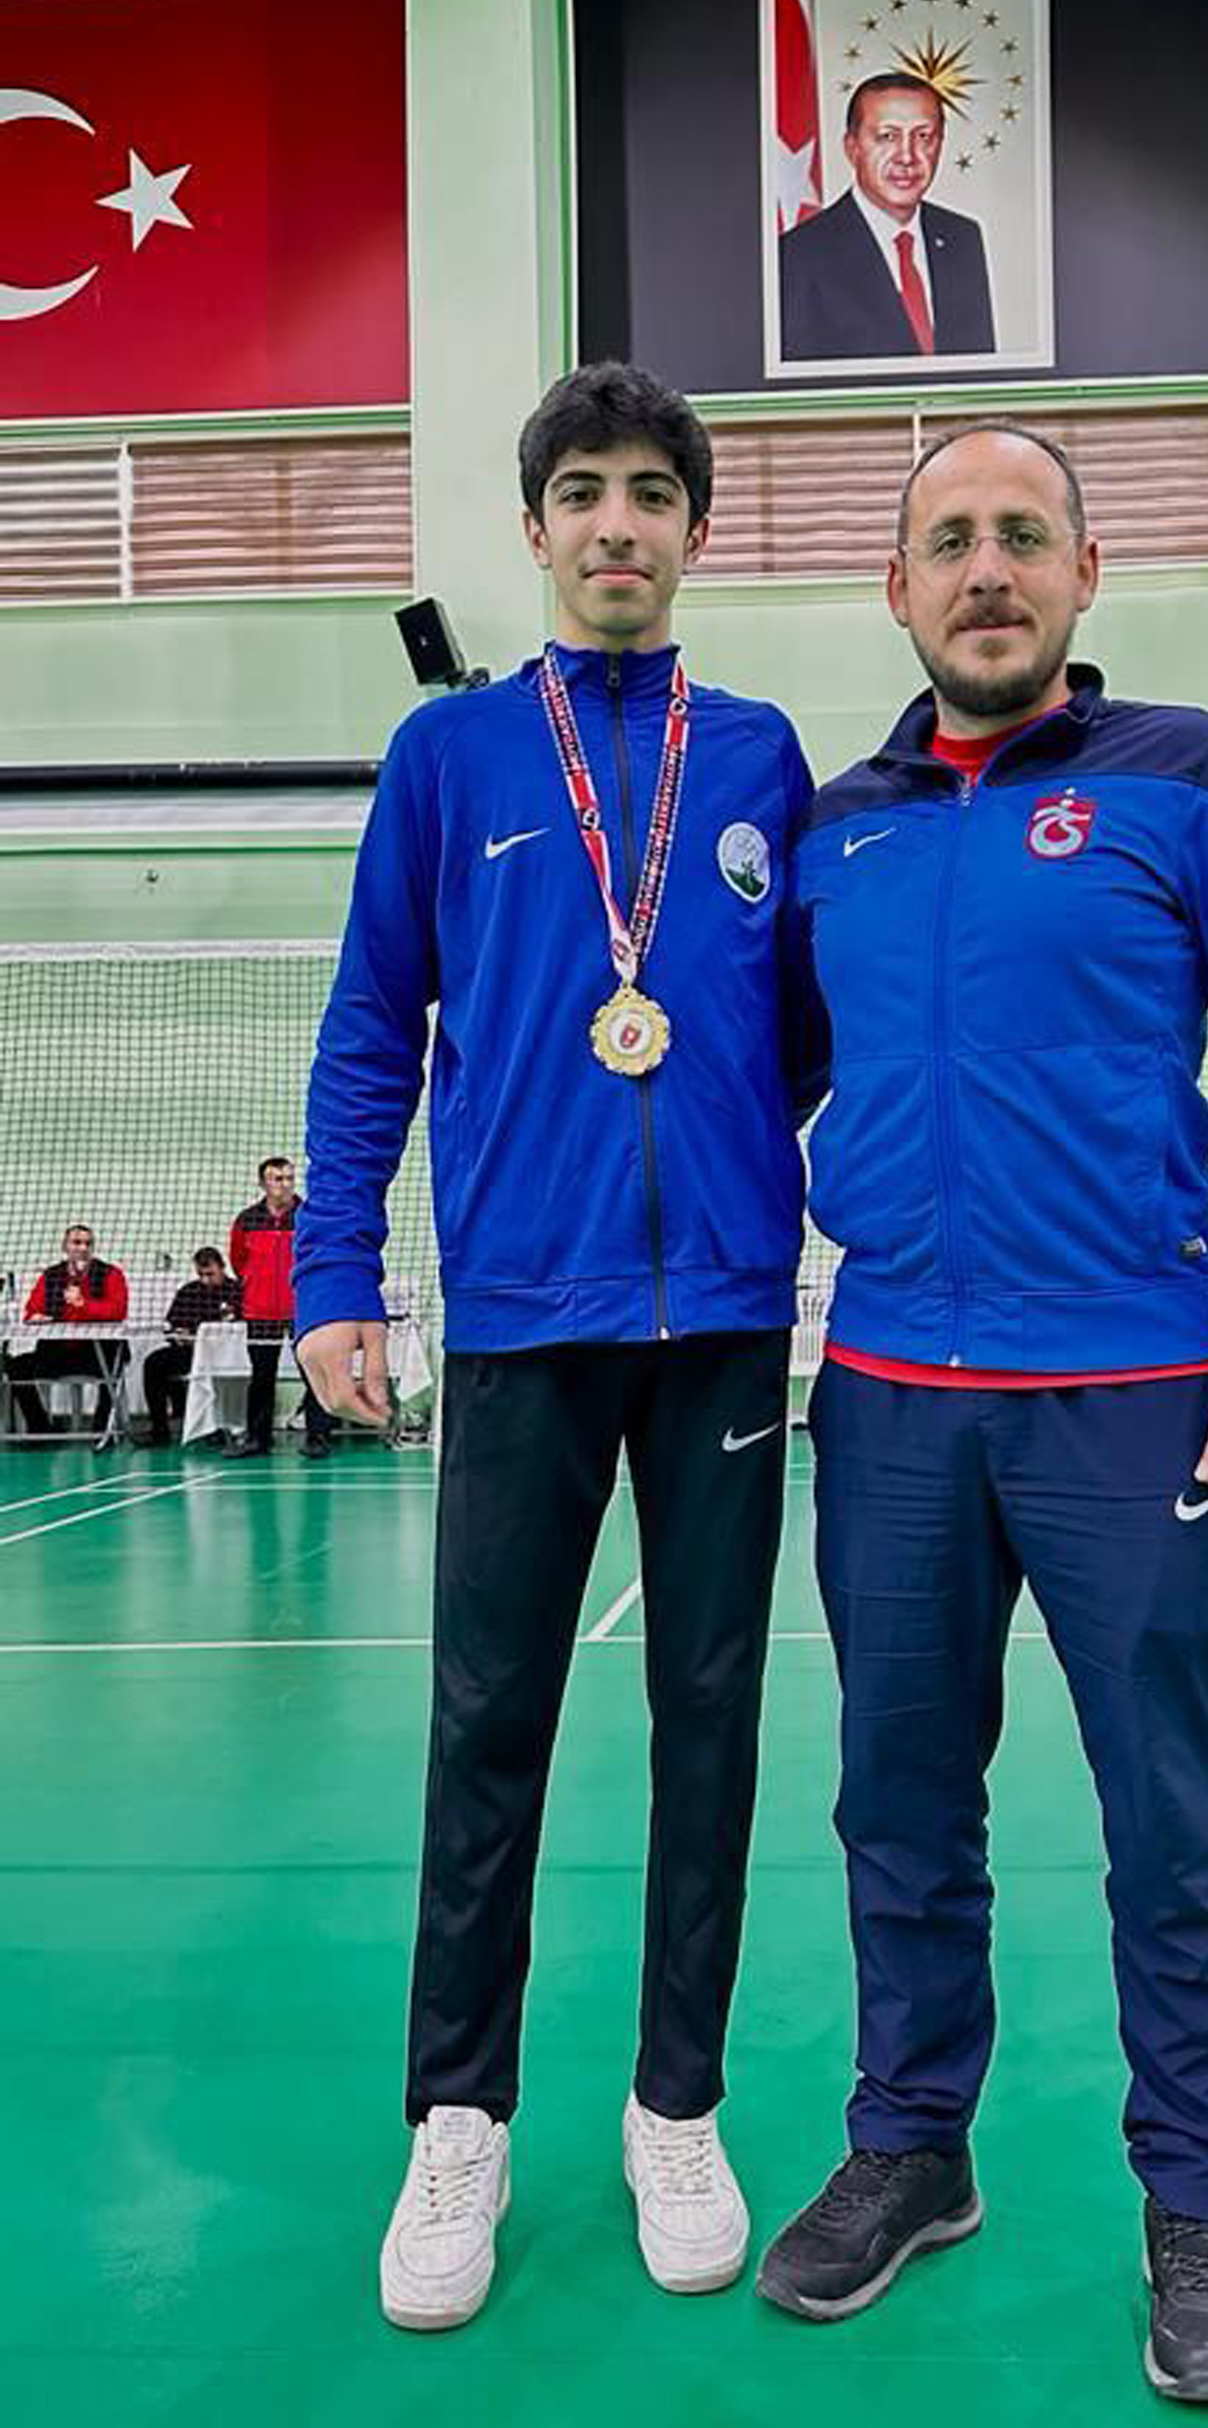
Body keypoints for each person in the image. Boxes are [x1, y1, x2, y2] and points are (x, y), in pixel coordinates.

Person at [754, 423, 1208, 2404]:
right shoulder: (838, 828)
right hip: (888, 1402)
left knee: (1176, 1821)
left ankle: (1199, 2202)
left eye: (1023, 534)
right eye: (947, 539)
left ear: (1086, 571)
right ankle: (911, 2144)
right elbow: (761, 1087)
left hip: (1133, 1395)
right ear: (897, 587)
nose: (986, 568)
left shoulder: (1189, 776)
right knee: (896, 1803)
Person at [293, 361, 826, 2332]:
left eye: (650, 492)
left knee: (713, 1722)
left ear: (695, 530)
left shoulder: (758, 753)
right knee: (487, 1724)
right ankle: (460, 2113)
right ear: (535, 529)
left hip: (723, 1326)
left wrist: (763, 1173)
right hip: (522, 1319)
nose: (617, 522)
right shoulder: (447, 757)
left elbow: (809, 1026)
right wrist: (336, 1271)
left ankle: (675, 2102)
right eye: (583, 490)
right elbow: (374, 1025)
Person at [780, 75, 995, 362]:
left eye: (923, 137)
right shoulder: (798, 255)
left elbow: (979, 371)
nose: (906, 157)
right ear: (852, 148)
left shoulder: (962, 238)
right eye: (887, 136)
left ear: (940, 145)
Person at [227, 1157, 334, 1460]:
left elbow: (321, 1255)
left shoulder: (309, 1216)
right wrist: (256, 1286)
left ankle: (318, 1437)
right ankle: (257, 1439)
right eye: (277, 1179)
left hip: (303, 1310)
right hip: (259, 1312)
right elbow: (238, 1261)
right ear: (263, 1184)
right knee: (262, 1375)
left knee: (314, 1373)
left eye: (289, 1178)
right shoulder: (246, 1220)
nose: (285, 1185)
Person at [7, 1223, 129, 1435]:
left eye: (88, 1243)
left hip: (98, 1353)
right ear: (65, 1246)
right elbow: (32, 1310)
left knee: (113, 1364)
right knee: (16, 1367)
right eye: (77, 1242)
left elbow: (118, 1310)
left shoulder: (111, 1274)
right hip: (58, 1352)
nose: (83, 1248)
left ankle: (102, 1431)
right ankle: (40, 1426)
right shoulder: (50, 1275)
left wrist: (84, 1304)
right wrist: (37, 1317)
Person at [141, 1246, 242, 1448]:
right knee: (153, 1362)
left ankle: (232, 1426)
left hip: (229, 1355)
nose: (205, 1280)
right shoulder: (189, 1292)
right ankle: (160, 1429)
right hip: (192, 1353)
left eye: (210, 1274)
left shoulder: (237, 1291)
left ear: (222, 1268)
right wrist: (179, 1337)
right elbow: (171, 1326)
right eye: (201, 1274)